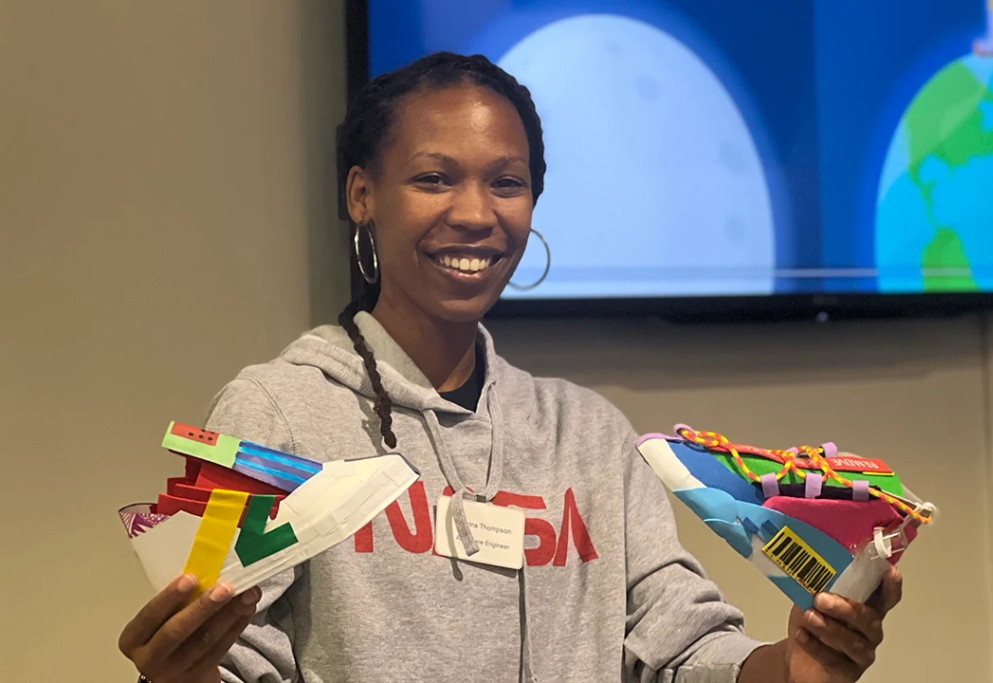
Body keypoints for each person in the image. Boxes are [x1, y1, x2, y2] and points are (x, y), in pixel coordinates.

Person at [118, 52, 903, 683]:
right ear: (362, 195)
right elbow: (230, 656)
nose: (475, 212)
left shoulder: (589, 436)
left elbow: (684, 651)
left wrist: (799, 667)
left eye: (507, 182)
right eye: (434, 177)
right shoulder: (276, 411)